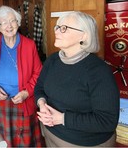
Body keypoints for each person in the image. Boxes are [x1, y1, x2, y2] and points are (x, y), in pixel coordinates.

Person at [34, 11, 119, 147]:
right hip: (50, 134)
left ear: (84, 35)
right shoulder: (52, 60)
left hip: (83, 143)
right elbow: (39, 88)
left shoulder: (98, 71)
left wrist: (61, 118)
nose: (56, 31)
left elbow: (107, 121)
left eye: (64, 28)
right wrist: (41, 104)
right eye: (57, 27)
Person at [0, 5, 43, 147]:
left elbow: (38, 73)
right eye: (3, 23)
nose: (8, 26)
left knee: (25, 142)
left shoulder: (29, 45)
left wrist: (27, 92)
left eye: (12, 21)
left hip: (22, 101)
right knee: (2, 141)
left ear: (18, 23)